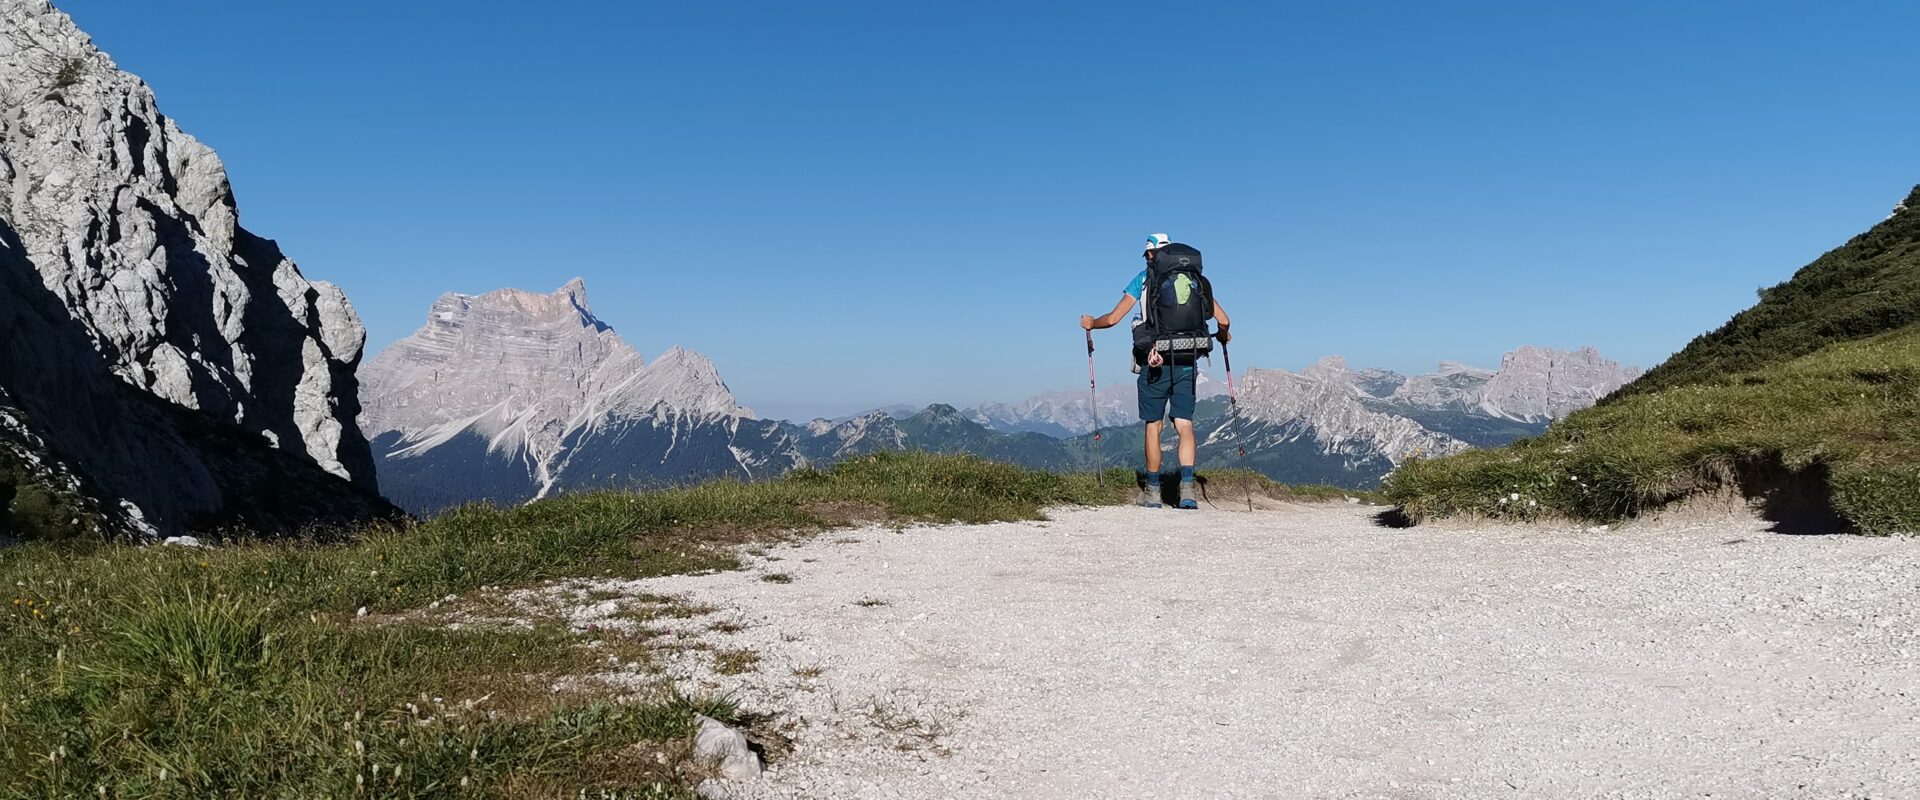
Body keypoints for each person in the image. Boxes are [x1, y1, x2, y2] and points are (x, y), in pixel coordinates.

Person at [1080, 234, 1231, 509]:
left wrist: (1092, 323)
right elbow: (1224, 320)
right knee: (1184, 424)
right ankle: (1187, 490)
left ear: (1151, 254)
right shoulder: (1193, 279)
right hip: (1187, 358)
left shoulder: (1143, 279)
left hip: (1155, 360)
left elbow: (1113, 319)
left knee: (1154, 425)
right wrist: (1223, 336)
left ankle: (1152, 490)